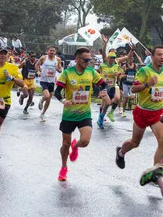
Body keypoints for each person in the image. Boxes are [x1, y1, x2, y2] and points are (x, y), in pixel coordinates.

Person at [54, 47, 109, 181]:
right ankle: (64, 167)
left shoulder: (91, 72)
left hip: (84, 114)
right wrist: (63, 100)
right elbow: (57, 92)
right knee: (65, 144)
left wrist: (104, 91)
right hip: (69, 115)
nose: (88, 62)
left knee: (84, 141)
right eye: (85, 59)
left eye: (89, 60)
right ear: (77, 59)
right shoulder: (67, 73)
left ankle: (76, 145)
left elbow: (105, 84)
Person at [116, 45, 163, 178]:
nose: (162, 57)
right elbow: (134, 89)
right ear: (152, 57)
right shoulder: (144, 71)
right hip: (142, 112)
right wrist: (148, 84)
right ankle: (121, 153)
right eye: (159, 55)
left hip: (158, 113)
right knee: (135, 143)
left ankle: (155, 172)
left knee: (162, 140)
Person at [97, 52, 124, 128]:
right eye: (111, 57)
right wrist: (99, 78)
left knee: (114, 100)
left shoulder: (116, 66)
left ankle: (105, 115)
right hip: (104, 87)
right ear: (108, 58)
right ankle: (101, 117)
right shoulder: (102, 65)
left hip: (112, 86)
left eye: (113, 58)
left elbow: (120, 76)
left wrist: (118, 74)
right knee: (107, 103)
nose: (112, 59)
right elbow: (97, 73)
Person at [35, 46, 62, 122]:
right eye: (50, 50)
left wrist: (58, 69)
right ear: (47, 51)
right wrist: (38, 72)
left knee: (49, 98)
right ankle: (42, 100)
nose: (52, 52)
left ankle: (43, 113)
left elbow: (60, 70)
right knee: (47, 96)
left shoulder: (58, 59)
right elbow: (37, 65)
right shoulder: (43, 58)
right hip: (44, 80)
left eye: (53, 51)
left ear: (55, 52)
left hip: (52, 81)